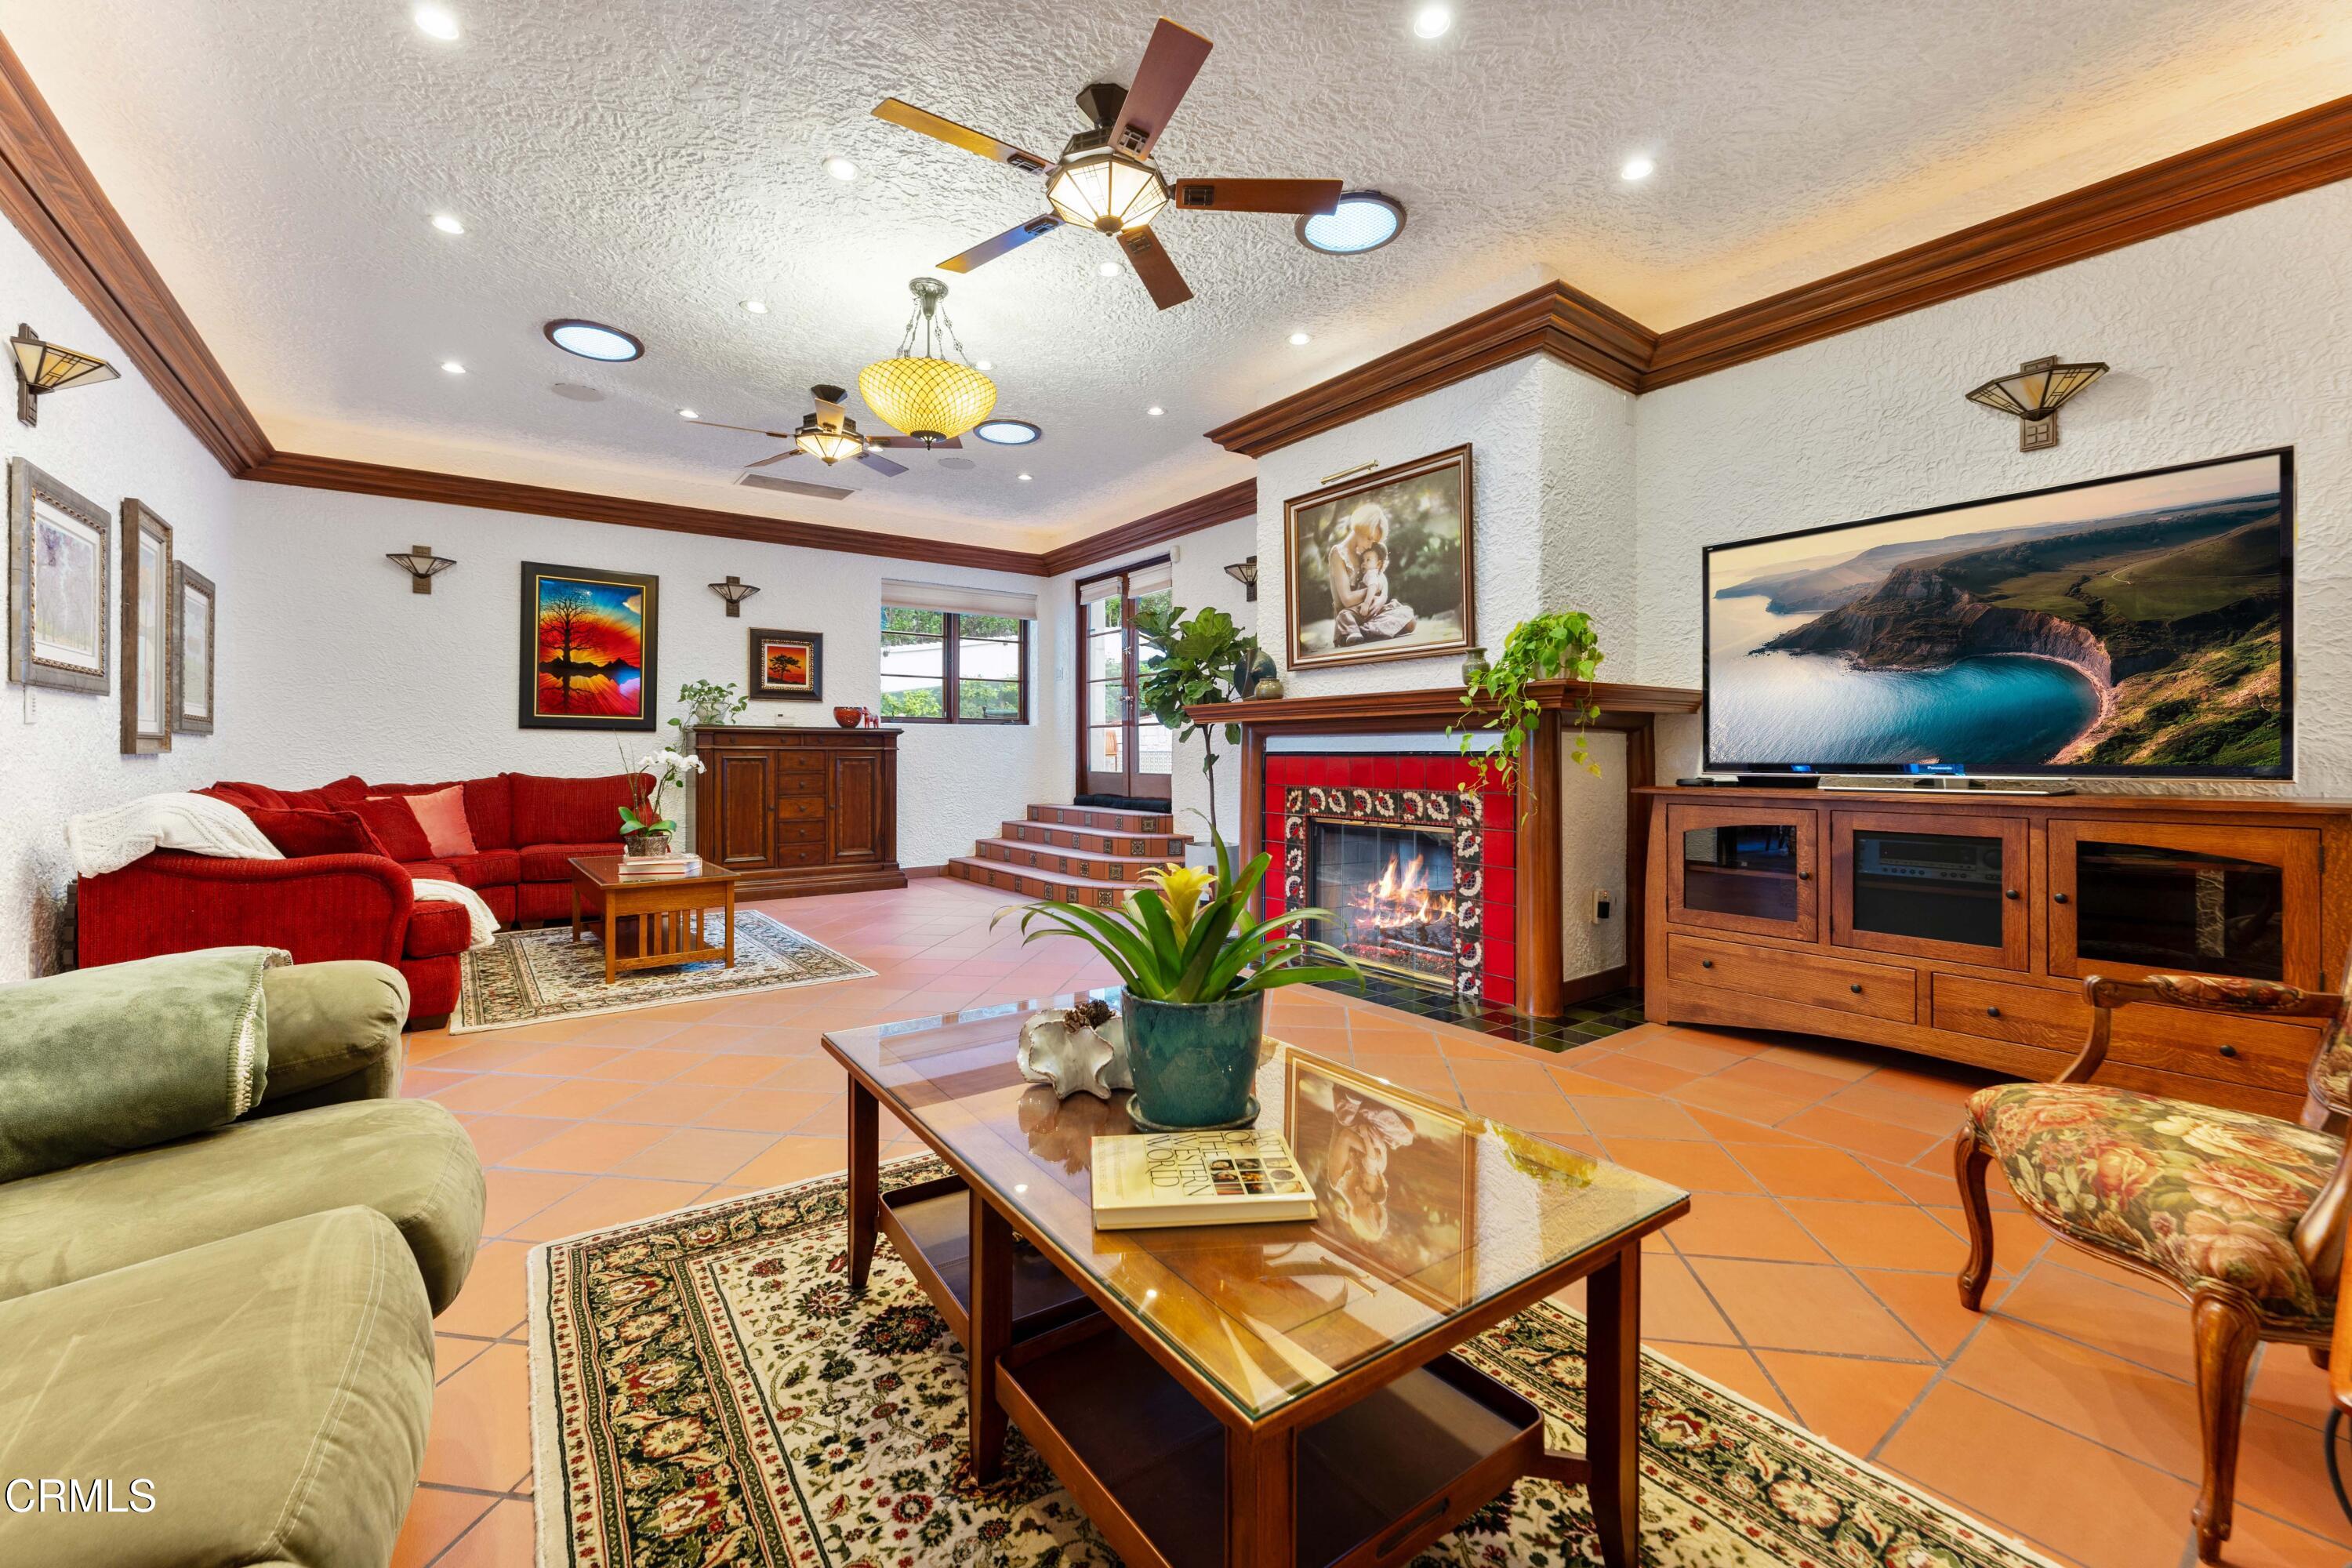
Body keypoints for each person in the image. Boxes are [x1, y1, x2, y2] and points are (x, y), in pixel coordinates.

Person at [1327, 501, 1418, 645]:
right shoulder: (1338, 553)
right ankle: (1352, 631)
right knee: (1346, 618)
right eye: (1369, 538)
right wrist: (1373, 589)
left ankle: (1361, 632)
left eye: (1374, 541)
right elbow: (1347, 599)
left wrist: (1382, 597)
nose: (1371, 545)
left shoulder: (1365, 551)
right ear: (1360, 527)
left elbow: (1380, 577)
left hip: (1370, 612)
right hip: (1351, 615)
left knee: (1409, 620)